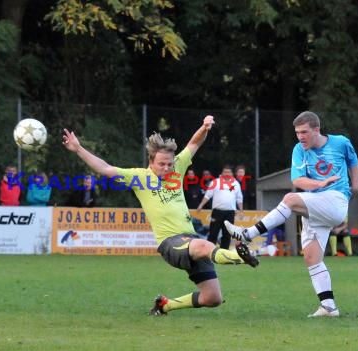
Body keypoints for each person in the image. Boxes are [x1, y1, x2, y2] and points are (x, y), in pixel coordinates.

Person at [62, 115, 258, 316]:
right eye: (162, 164)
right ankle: (240, 256)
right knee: (204, 245)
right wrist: (78, 148)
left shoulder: (177, 168)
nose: (166, 168)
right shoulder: (139, 177)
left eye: (169, 164)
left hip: (190, 239)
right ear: (151, 161)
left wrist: (205, 127)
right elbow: (105, 168)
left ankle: (164, 305)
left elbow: (194, 143)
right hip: (170, 243)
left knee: (212, 298)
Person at [225, 111, 358, 317]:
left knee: (289, 199)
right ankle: (329, 306)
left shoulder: (340, 142)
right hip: (315, 203)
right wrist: (320, 183)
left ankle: (248, 234)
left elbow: (353, 160)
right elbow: (297, 180)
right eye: (297, 133)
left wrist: (356, 185)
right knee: (311, 257)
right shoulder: (299, 150)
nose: (300, 137)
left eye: (304, 132)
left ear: (317, 129)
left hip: (335, 199)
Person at [196, 165, 243, 250]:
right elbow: (207, 195)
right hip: (217, 212)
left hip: (230, 213)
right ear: (222, 173)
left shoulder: (236, 184)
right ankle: (208, 252)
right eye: (225, 172)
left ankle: (223, 254)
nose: (227, 174)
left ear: (232, 173)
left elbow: (239, 198)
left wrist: (241, 210)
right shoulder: (215, 182)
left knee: (227, 234)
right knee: (213, 233)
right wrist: (200, 205)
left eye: (228, 172)